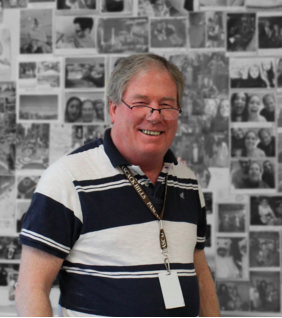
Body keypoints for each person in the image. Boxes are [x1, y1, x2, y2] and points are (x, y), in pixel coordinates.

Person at [15, 53, 220, 317]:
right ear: (113, 109)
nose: (155, 116)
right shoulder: (66, 179)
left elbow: (200, 271)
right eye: (141, 103)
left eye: (167, 105)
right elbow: (31, 288)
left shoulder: (188, 182)